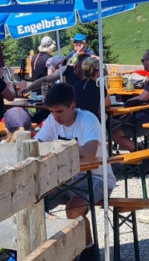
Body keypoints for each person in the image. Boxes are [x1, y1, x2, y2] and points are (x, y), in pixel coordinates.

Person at [35, 83, 113, 235]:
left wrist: (57, 150)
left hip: (97, 178)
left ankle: (88, 249)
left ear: (72, 106)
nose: (55, 116)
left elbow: (90, 151)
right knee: (33, 204)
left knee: (73, 210)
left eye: (59, 111)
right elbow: (37, 145)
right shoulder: (52, 120)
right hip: (65, 178)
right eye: (51, 112)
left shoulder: (88, 119)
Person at [111, 49, 149, 152]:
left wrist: (126, 104)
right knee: (115, 126)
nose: (143, 63)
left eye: (143, 60)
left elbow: (143, 97)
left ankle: (141, 156)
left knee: (114, 133)